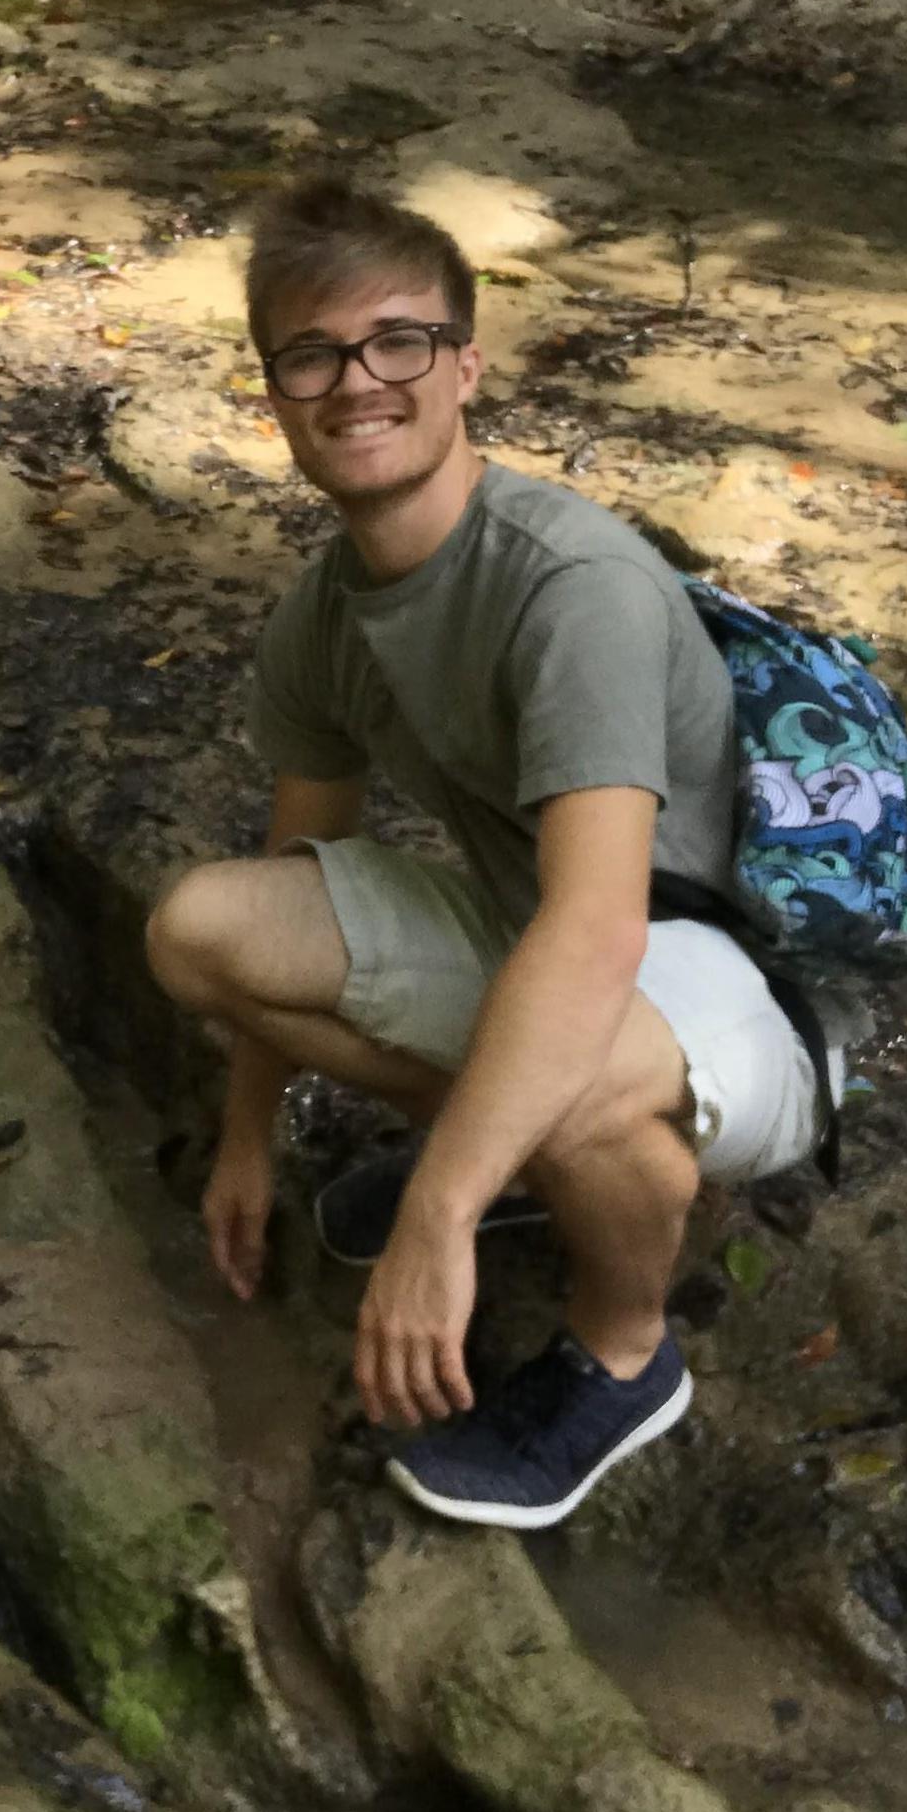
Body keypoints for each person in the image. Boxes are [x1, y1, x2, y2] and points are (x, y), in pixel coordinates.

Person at [146, 179, 833, 1530]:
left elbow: (597, 934)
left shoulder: (567, 588)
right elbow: (302, 870)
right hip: (565, 952)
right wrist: (249, 1136)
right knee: (201, 930)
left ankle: (625, 1352)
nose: (357, 384)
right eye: (311, 356)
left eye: (397, 343)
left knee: (572, 1080)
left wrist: (437, 1215)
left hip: (738, 985)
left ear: (466, 365)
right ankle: (530, 1164)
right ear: (274, 393)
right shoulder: (324, 618)